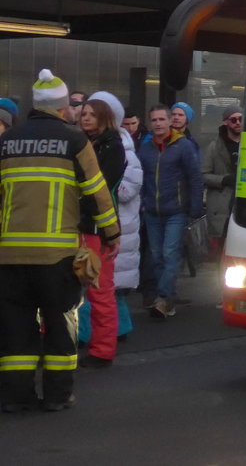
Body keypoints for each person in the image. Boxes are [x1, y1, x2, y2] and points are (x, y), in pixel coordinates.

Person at [0, 69, 119, 413]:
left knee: (16, 329)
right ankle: (57, 395)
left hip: (9, 257)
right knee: (61, 324)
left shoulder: (7, 142)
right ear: (62, 107)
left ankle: (16, 397)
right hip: (57, 257)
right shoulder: (74, 140)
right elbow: (97, 193)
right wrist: (111, 234)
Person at [138, 104, 203, 319]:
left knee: (169, 253)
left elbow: (194, 177)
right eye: (154, 120)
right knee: (156, 256)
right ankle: (167, 300)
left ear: (169, 122)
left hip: (176, 209)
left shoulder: (182, 146)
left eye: (161, 119)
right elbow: (140, 178)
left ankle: (163, 297)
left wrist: (194, 207)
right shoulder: (146, 148)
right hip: (152, 210)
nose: (157, 124)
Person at [76, 96, 127, 367]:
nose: (85, 118)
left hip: (98, 228)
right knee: (77, 290)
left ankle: (103, 349)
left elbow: (102, 189)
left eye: (92, 114)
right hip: (80, 225)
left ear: (104, 118)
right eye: (83, 113)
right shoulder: (84, 143)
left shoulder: (112, 147)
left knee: (99, 289)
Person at [89, 92, 142, 343]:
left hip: (119, 225)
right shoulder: (96, 144)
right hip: (111, 223)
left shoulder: (124, 150)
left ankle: (110, 334)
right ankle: (113, 331)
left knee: (108, 288)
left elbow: (128, 188)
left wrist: (105, 188)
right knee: (107, 287)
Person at [202, 105, 241, 249]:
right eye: (233, 119)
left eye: (241, 119)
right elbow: (204, 175)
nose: (238, 122)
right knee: (220, 251)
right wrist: (223, 180)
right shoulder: (215, 147)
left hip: (243, 205)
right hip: (222, 205)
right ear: (226, 122)